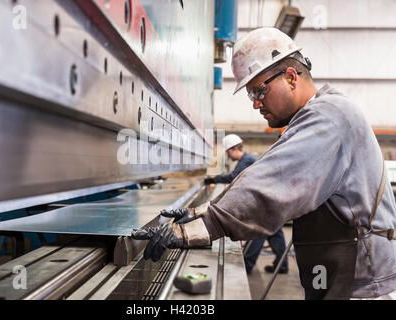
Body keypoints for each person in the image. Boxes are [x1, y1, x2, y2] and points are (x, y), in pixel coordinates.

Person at [132, 27, 396, 300]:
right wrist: (201, 211)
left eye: (259, 91)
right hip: (343, 279)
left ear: (291, 77)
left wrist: (195, 229)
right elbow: (261, 173)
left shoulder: (329, 117)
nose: (256, 104)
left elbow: (271, 182)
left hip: (364, 288)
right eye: (251, 95)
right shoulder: (314, 118)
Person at [205, 134, 288, 274]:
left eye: (228, 151)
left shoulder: (247, 160)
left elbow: (234, 178)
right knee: (275, 233)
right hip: (269, 199)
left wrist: (214, 180)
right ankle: (282, 265)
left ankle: (248, 264)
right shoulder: (247, 160)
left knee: (259, 232)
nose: (228, 155)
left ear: (235, 148)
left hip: (265, 201)